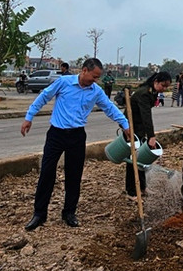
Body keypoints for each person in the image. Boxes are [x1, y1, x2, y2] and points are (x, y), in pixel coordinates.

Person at [20, 57, 131, 231]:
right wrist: (29, 117)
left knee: (74, 175)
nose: (96, 80)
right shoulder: (63, 82)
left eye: (98, 78)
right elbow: (44, 97)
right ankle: (39, 214)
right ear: (84, 70)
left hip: (77, 136)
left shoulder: (96, 91)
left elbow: (109, 108)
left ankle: (69, 213)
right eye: (94, 76)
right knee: (47, 173)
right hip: (56, 134)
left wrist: (125, 124)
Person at [125, 71, 171, 200]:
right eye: (163, 85)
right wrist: (151, 136)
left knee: (142, 158)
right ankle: (131, 191)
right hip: (131, 127)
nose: (164, 89)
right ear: (156, 82)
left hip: (140, 127)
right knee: (133, 159)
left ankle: (142, 187)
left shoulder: (152, 92)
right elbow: (146, 116)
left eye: (166, 87)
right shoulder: (144, 93)